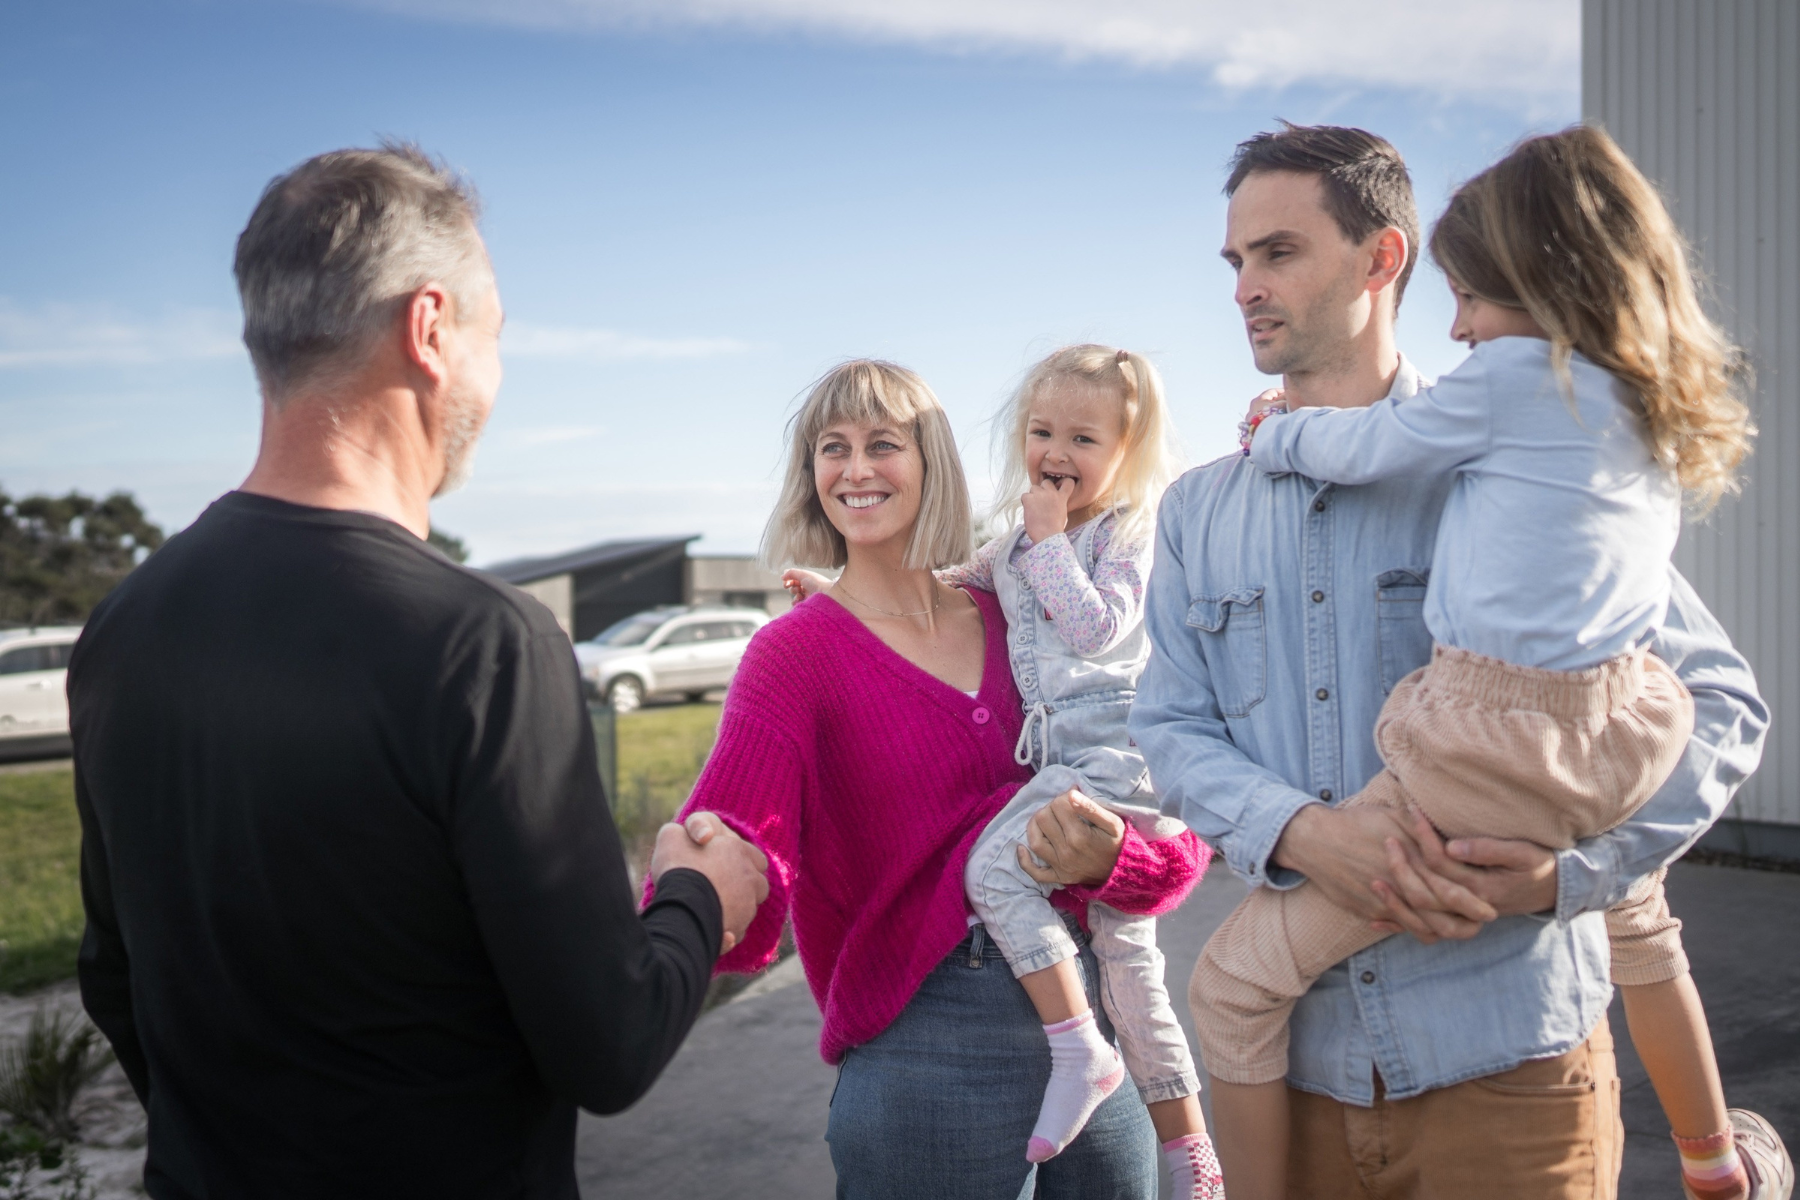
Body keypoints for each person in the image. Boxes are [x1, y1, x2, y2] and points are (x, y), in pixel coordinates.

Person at [67, 145, 769, 1199]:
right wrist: (700, 897)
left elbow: (115, 977)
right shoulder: (484, 647)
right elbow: (607, 1046)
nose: (496, 374)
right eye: (497, 337)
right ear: (431, 328)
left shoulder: (123, 626)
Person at [1130, 122, 1769, 1200]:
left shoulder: (1522, 459)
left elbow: (1719, 702)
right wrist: (1305, 835)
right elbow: (1171, 730)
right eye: (1235, 261)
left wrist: (1571, 879)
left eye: (1278, 252)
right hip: (1297, 1093)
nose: (1245, 285)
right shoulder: (1196, 510)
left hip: (1514, 1084)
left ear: (1383, 259)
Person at [671, 358, 1206, 1199]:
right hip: (926, 1043)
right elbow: (738, 834)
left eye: (883, 443)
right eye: (831, 448)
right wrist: (676, 910)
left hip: (1099, 1027)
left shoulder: (1027, 610)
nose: (855, 469)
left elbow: (1170, 804)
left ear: (931, 463)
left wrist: (1115, 866)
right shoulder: (793, 655)